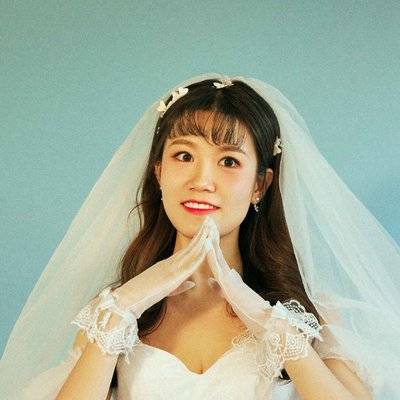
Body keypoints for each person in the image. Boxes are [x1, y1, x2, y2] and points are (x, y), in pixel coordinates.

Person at [0, 73, 399, 400]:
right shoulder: (111, 314)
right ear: (159, 173)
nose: (202, 180)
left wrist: (269, 321)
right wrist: (126, 305)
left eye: (229, 161)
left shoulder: (312, 313)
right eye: (184, 156)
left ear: (260, 185)